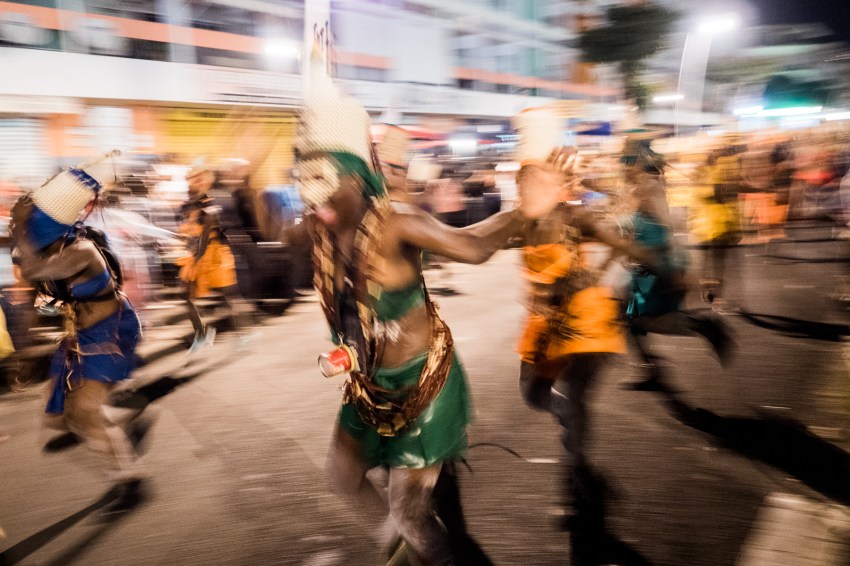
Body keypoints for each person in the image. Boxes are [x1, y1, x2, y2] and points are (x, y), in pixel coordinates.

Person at [293, 60, 523, 565]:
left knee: (413, 514)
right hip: (369, 388)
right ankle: (403, 545)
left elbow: (473, 246)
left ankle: (430, 551)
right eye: (305, 184)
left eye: (326, 183)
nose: (316, 202)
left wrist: (525, 211)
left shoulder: (396, 222)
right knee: (344, 475)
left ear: (357, 177)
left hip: (423, 389)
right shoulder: (320, 229)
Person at [511, 107, 657, 540]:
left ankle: (573, 490)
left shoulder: (577, 217)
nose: (525, 187)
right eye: (521, 179)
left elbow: (628, 242)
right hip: (544, 324)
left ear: (554, 181)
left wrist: (599, 273)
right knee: (533, 393)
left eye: (533, 178)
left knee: (574, 401)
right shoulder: (520, 220)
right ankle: (572, 432)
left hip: (585, 322)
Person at [9, 151, 146, 514]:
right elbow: (28, 273)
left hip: (112, 330)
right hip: (79, 336)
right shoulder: (52, 248)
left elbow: (35, 270)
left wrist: (20, 227)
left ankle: (130, 480)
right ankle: (125, 428)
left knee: (84, 413)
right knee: (58, 419)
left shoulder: (81, 250)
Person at [621, 149, 733, 391]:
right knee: (633, 319)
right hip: (651, 263)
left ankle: (703, 327)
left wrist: (674, 271)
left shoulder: (646, 189)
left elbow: (660, 228)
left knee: (643, 319)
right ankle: (650, 366)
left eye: (629, 165)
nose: (626, 170)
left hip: (654, 264)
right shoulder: (650, 188)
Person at [177, 160, 247, 352]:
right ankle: (201, 334)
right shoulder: (188, 203)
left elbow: (207, 234)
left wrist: (194, 257)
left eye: (199, 177)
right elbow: (187, 230)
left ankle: (241, 334)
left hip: (214, 255)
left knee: (228, 296)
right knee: (186, 296)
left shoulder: (210, 203)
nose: (195, 180)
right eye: (192, 177)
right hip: (195, 254)